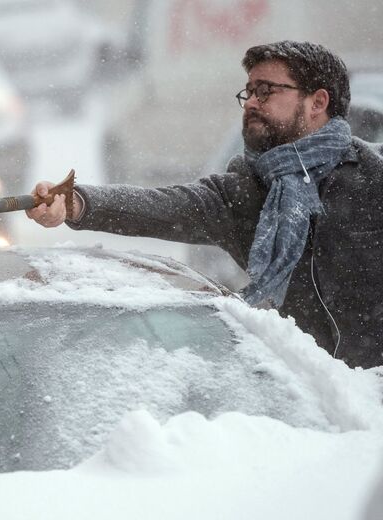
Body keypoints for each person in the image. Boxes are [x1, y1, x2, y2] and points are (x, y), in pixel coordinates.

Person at [26, 40, 383, 370]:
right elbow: (162, 206)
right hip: (313, 401)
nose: (252, 102)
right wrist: (76, 202)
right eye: (250, 91)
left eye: (267, 91)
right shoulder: (244, 193)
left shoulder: (373, 177)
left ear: (318, 102)